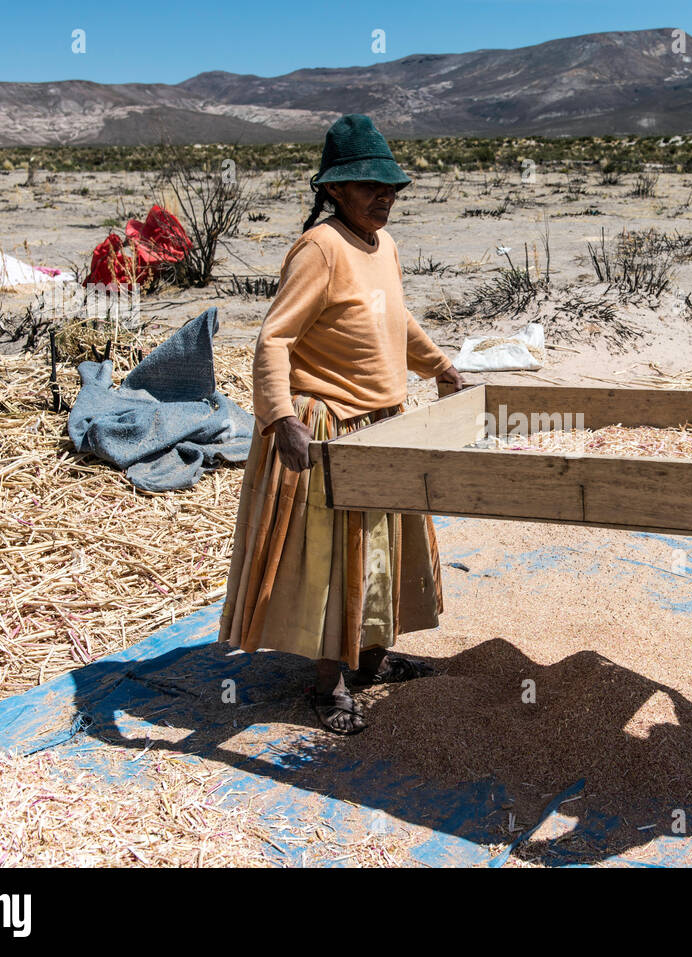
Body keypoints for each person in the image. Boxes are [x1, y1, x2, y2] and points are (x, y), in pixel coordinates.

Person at [219, 114, 464, 735]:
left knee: (384, 548)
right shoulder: (320, 249)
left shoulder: (384, 247)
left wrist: (438, 365)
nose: (383, 197)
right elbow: (274, 340)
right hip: (328, 426)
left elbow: (396, 319)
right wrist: (279, 419)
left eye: (390, 188)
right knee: (338, 557)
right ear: (334, 190)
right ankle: (327, 686)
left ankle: (371, 659)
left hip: (384, 420)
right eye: (368, 186)